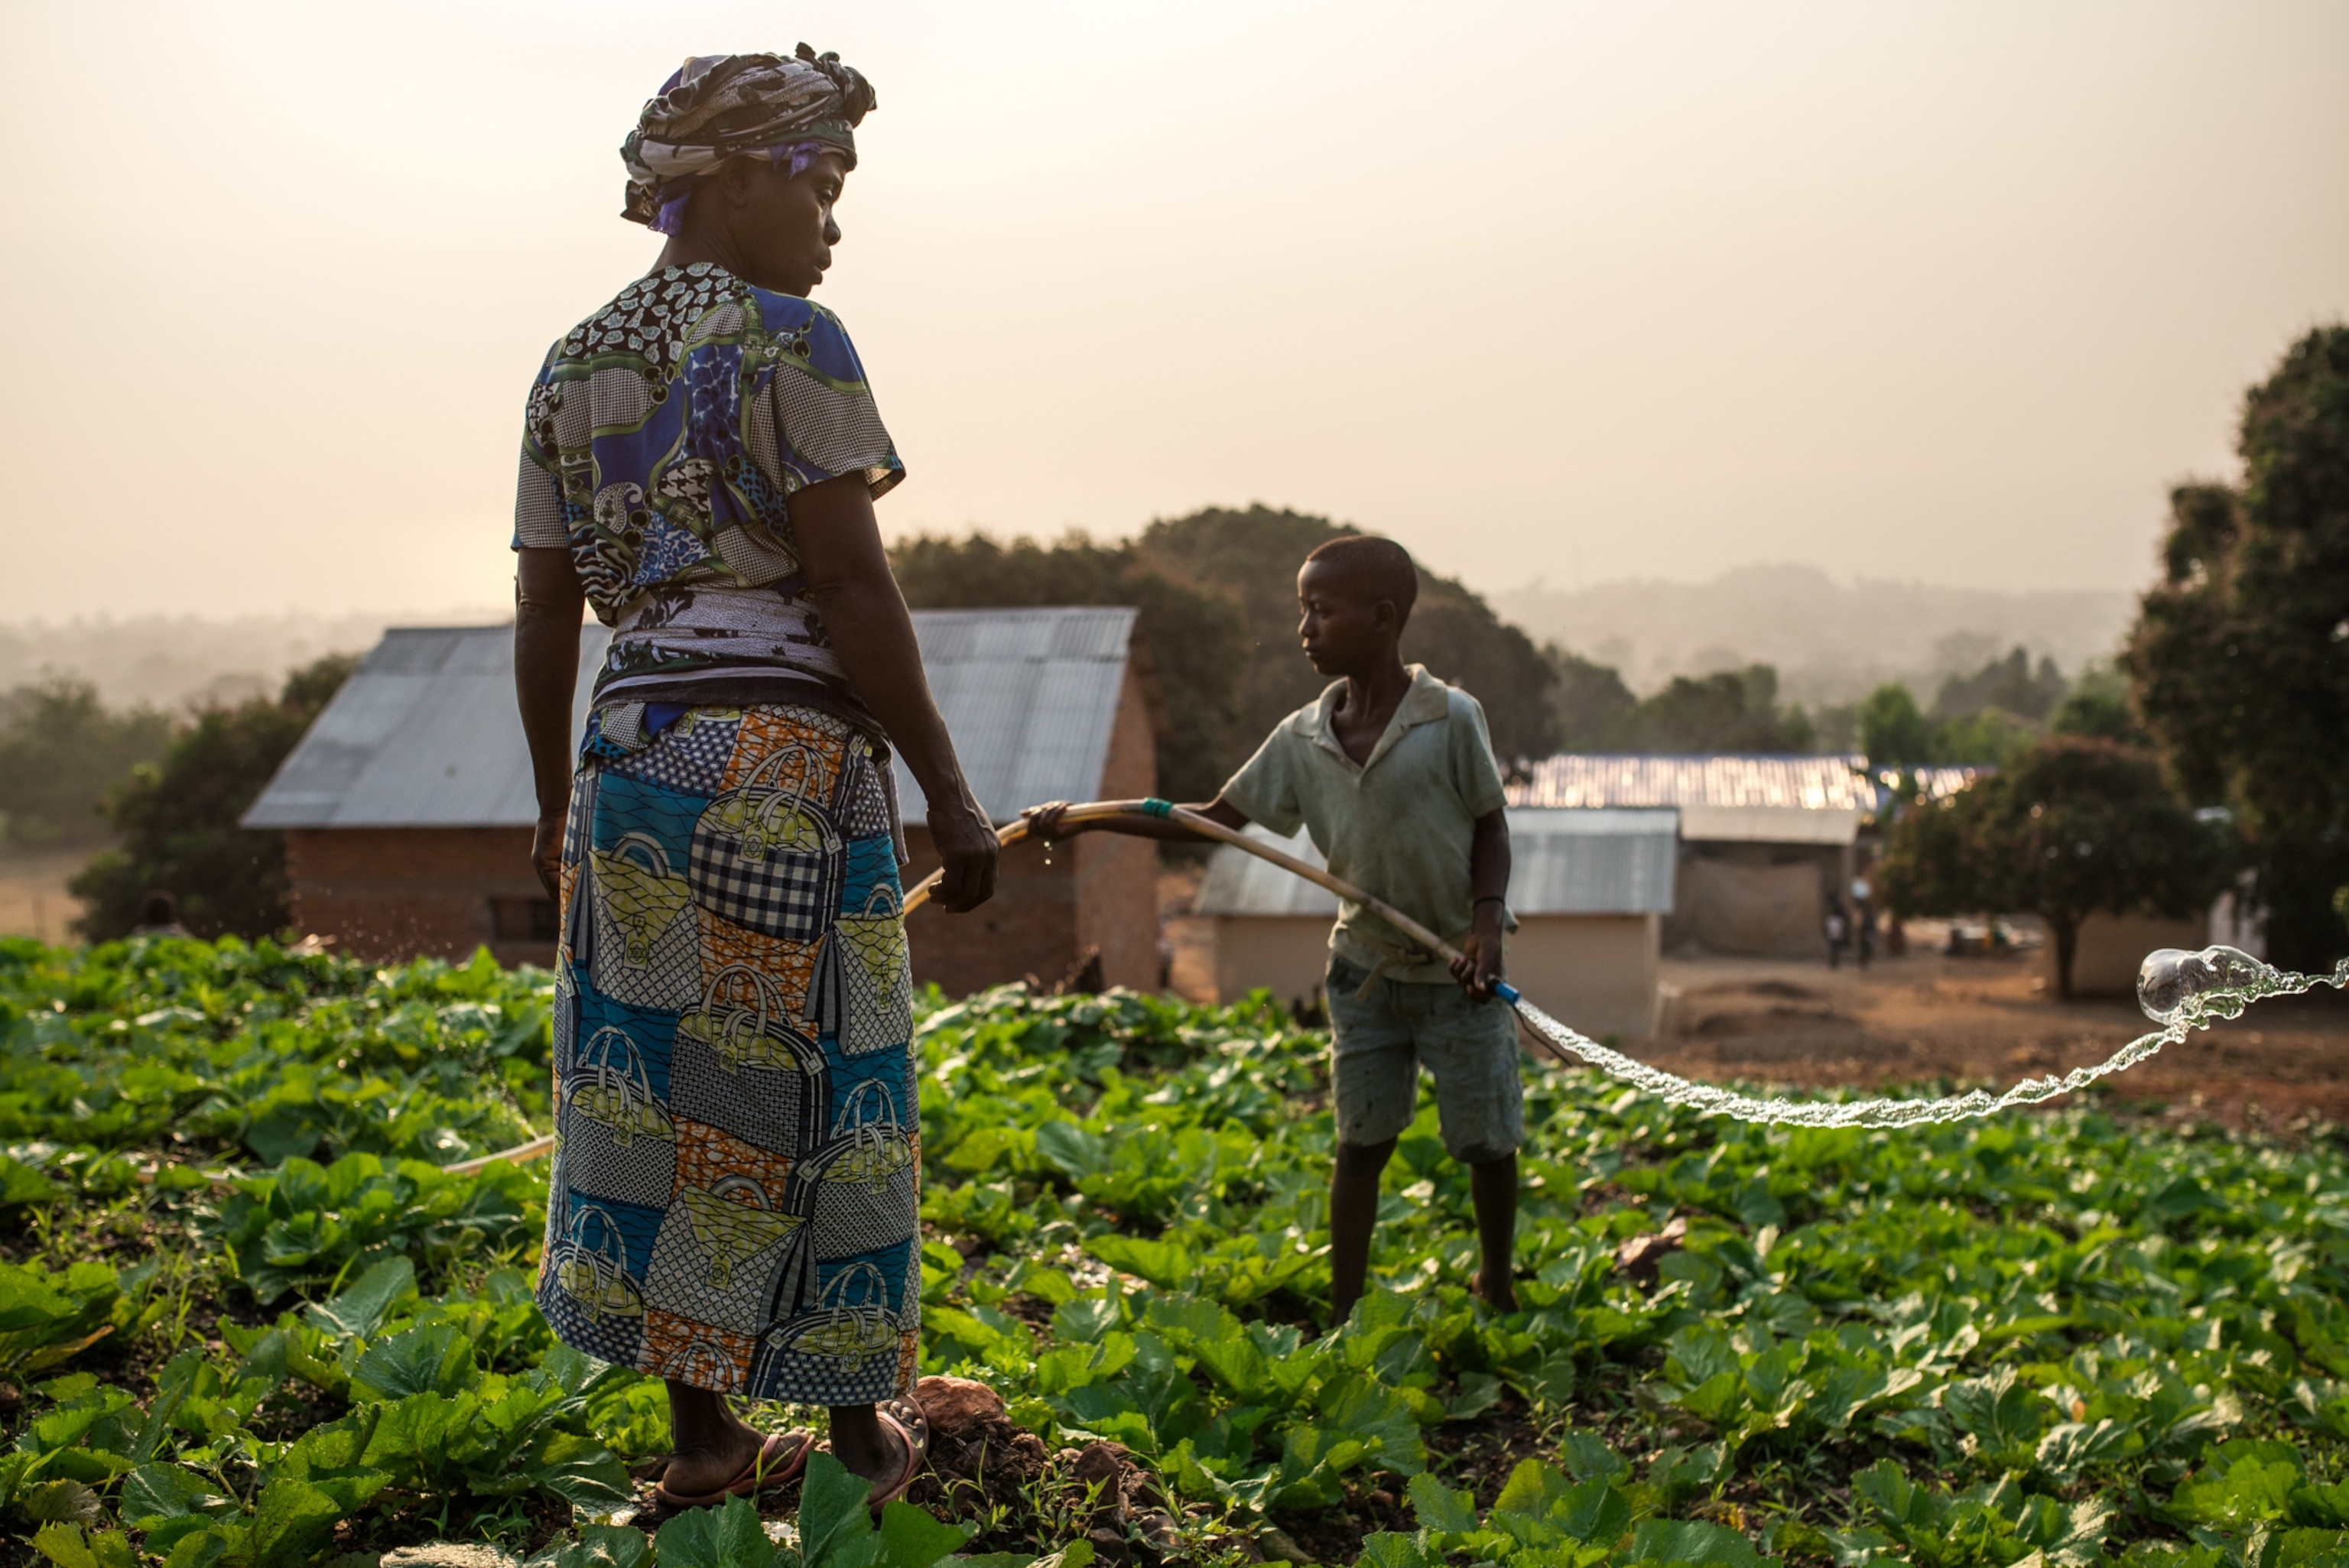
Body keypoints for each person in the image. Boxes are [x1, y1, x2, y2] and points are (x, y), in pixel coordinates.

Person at [510, 48, 999, 1517]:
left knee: (660, 1091)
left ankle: (708, 1437)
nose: (835, 226)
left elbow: (545, 612)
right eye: (826, 185)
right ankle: (858, 1442)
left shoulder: (571, 361)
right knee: (833, 1079)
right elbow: (852, 586)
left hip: (634, 763)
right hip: (779, 760)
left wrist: (553, 800)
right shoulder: (793, 340)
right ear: (740, 175)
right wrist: (951, 791)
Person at [1027, 537, 1521, 1323]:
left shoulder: (1450, 718)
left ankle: (1496, 1280)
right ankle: (1345, 1308)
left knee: (1486, 1140)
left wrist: (1485, 929)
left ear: (1383, 618)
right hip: (1365, 970)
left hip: (1457, 970)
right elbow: (1215, 821)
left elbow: (1492, 828)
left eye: (1321, 611)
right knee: (1361, 1141)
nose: (1304, 628)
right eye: (1302, 610)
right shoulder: (1302, 736)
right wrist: (1089, 819)